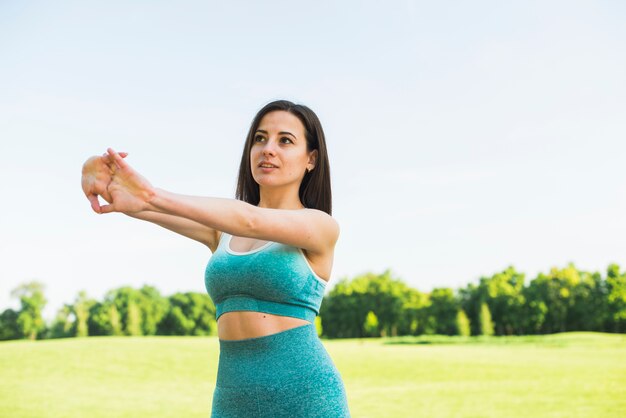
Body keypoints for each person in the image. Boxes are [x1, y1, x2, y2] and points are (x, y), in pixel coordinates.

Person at [81, 100, 351, 417]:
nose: (268, 149)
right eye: (260, 138)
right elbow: (142, 205)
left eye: (285, 140)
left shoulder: (319, 227)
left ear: (311, 159)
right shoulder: (221, 232)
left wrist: (152, 194)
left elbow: (249, 219)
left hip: (305, 398)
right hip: (232, 400)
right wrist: (106, 179)